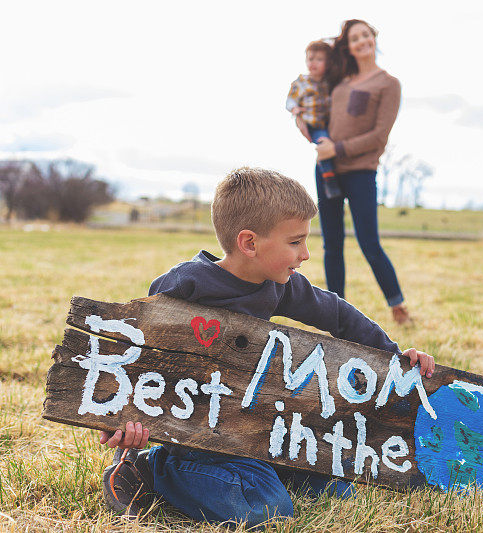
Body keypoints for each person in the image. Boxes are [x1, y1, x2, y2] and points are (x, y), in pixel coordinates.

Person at [99, 167, 435, 527]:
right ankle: (152, 468)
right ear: (249, 243)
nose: (305, 253)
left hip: (254, 429)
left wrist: (394, 356)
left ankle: (256, 472)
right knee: (265, 509)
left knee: (338, 488)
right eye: (295, 242)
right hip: (195, 433)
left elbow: (339, 315)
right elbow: (140, 352)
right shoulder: (185, 284)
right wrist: (124, 415)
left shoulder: (280, 285)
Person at [304, 19, 411, 325]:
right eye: (354, 38)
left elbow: (379, 136)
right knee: (331, 245)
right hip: (326, 170)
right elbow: (316, 109)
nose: (361, 41)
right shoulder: (340, 80)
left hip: (361, 172)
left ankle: (397, 305)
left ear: (374, 38)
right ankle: (336, 314)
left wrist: (337, 149)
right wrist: (304, 122)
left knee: (369, 242)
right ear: (348, 46)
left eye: (366, 35)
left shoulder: (388, 84)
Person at [286, 40, 342, 199]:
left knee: (329, 143)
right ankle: (329, 178)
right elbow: (290, 100)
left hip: (329, 122)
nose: (313, 63)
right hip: (314, 124)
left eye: (319, 59)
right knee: (323, 143)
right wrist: (294, 109)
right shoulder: (301, 82)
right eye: (310, 59)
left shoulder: (329, 82)